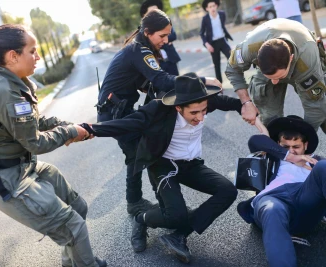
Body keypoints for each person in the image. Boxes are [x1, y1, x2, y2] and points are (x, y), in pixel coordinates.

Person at [0, 24, 106, 267]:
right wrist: (69, 132)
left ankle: (75, 261)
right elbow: (34, 141)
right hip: (5, 178)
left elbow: (36, 122)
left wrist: (73, 126)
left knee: (78, 208)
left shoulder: (16, 82)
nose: (38, 56)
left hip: (23, 167)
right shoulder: (4, 91)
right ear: (13, 56)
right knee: (73, 227)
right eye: (32, 51)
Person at [83, 76, 242, 263]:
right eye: (194, 113)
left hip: (191, 165)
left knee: (228, 191)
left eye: (204, 111)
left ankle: (179, 235)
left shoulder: (202, 102)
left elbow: (225, 101)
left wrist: (244, 105)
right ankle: (141, 219)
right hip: (163, 165)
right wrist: (89, 129)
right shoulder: (159, 110)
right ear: (178, 107)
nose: (200, 117)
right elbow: (129, 123)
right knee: (176, 215)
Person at [96, 9, 221, 216]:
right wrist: (202, 80)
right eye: (162, 35)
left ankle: (147, 205)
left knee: (138, 155)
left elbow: (153, 83)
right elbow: (162, 80)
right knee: (145, 155)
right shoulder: (139, 50)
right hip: (114, 114)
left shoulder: (139, 47)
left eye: (167, 35)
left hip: (119, 110)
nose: (165, 40)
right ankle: (151, 210)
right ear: (147, 32)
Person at [237, 115, 326, 267]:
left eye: (296, 147)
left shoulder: (316, 161)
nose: (291, 150)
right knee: (273, 209)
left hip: (304, 201)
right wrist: (289, 156)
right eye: (286, 147)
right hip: (273, 199)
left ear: (306, 145)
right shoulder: (273, 157)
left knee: (323, 166)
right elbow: (255, 141)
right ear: (278, 145)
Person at [225, 18, 326, 133]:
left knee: (322, 109)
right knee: (270, 119)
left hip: (302, 61)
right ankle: (276, 145)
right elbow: (232, 69)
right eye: (271, 77)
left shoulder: (307, 61)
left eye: (279, 77)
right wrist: (246, 102)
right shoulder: (250, 48)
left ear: (291, 59)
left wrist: (303, 140)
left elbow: (315, 106)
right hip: (271, 58)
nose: (275, 82)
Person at [140, 0, 181, 75]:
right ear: (144, 15)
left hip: (170, 59)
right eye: (152, 11)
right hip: (157, 62)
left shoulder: (166, 23)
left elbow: (173, 35)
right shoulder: (143, 30)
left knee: (177, 82)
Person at [200, 0, 233, 84]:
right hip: (213, 44)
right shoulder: (205, 19)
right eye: (210, 7)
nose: (212, 8)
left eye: (213, 6)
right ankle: (219, 85)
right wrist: (207, 44)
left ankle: (235, 79)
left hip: (223, 40)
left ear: (216, 6)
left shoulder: (222, 14)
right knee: (217, 64)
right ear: (207, 8)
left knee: (232, 59)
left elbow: (222, 27)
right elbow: (201, 33)